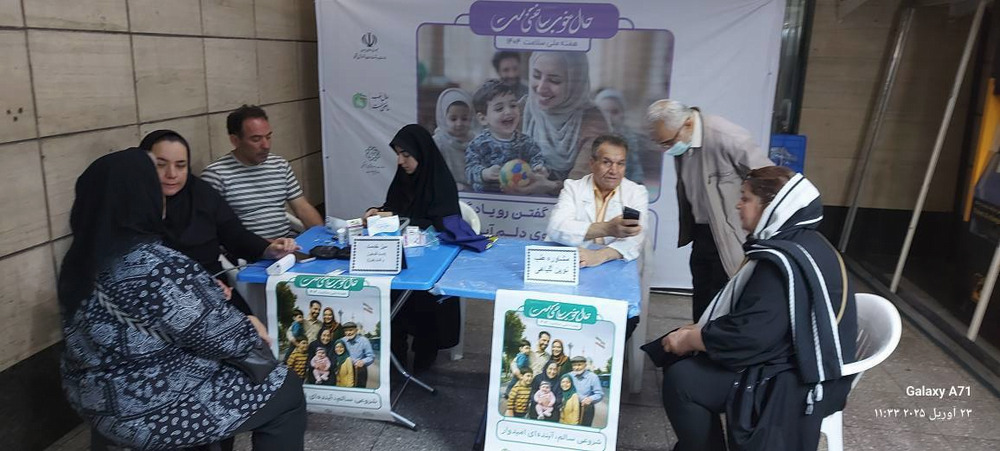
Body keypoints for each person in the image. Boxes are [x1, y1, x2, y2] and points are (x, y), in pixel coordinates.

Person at [58, 148, 305, 450]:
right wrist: (250, 323)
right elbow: (227, 338)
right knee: (284, 389)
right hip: (151, 411)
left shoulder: (78, 262)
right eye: (155, 177)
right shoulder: (156, 265)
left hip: (95, 401)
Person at [658, 167, 857, 450]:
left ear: (771, 206)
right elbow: (762, 324)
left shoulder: (780, 261)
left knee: (682, 380)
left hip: (796, 379)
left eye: (746, 198)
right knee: (683, 356)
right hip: (811, 365)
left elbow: (750, 337)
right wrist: (699, 333)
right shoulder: (804, 242)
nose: (738, 205)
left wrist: (693, 339)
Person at [139, 129, 299, 316]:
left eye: (181, 165)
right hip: (156, 299)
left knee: (254, 328)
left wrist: (268, 249)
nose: (172, 174)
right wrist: (195, 285)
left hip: (215, 286)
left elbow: (234, 234)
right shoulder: (133, 206)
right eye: (160, 165)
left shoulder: (200, 193)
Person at [647, 99, 774, 321]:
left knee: (723, 299)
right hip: (702, 232)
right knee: (702, 295)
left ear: (688, 124)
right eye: (661, 144)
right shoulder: (683, 141)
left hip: (731, 233)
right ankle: (699, 336)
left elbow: (770, 179)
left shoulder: (726, 136)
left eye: (668, 142)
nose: (666, 149)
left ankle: (715, 340)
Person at [364, 124, 462, 371]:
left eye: (406, 155)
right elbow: (392, 208)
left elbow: (443, 225)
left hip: (431, 262)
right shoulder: (402, 180)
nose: (400, 161)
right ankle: (394, 356)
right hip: (399, 260)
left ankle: (423, 356)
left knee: (424, 299)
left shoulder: (441, 183)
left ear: (421, 153)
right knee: (384, 290)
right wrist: (377, 213)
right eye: (398, 154)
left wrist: (396, 219)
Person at [201, 105, 323, 239]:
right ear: (235, 140)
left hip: (288, 242)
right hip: (247, 249)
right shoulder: (216, 175)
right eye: (256, 139)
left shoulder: (279, 165)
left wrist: (324, 239)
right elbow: (213, 229)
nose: (266, 145)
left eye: (268, 137)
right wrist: (267, 246)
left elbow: (303, 208)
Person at [547, 135, 647, 268]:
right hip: (571, 262)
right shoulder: (573, 188)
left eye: (620, 164)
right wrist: (607, 228)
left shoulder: (636, 193)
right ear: (592, 163)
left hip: (613, 264)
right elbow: (556, 227)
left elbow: (635, 238)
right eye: (606, 162)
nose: (614, 171)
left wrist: (598, 256)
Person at [523, 51, 612, 181]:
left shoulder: (593, 121)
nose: (541, 88)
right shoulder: (519, 109)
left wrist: (549, 187)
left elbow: (581, 182)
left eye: (554, 80)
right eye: (536, 76)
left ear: (575, 83)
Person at [465, 79, 549, 194]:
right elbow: (469, 170)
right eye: (499, 108)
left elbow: (536, 158)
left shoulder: (526, 142)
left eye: (513, 105)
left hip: (519, 197)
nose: (508, 111)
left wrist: (538, 168)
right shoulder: (478, 144)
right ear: (483, 118)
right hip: (487, 198)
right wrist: (484, 173)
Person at [594, 88, 647, 183]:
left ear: (623, 114)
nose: (609, 117)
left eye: (614, 112)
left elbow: (635, 168)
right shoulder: (591, 138)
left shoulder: (629, 139)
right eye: (604, 112)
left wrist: (638, 184)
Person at [433, 88, 476, 191]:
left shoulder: (476, 142)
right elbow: (432, 173)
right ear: (443, 118)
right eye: (453, 119)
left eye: (464, 119)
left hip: (473, 194)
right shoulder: (437, 143)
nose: (459, 123)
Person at [569, 356, 604, 427]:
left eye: (579, 365)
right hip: (571, 407)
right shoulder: (569, 375)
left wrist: (590, 399)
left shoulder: (593, 377)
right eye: (574, 365)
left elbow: (599, 394)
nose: (576, 368)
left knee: (584, 428)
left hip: (586, 408)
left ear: (585, 365)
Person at [342, 322, 375, 388]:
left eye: (351, 330)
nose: (348, 333)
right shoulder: (342, 341)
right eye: (346, 331)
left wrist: (363, 361)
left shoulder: (364, 341)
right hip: (345, 370)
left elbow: (371, 356)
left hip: (359, 370)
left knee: (359, 389)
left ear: (356, 330)